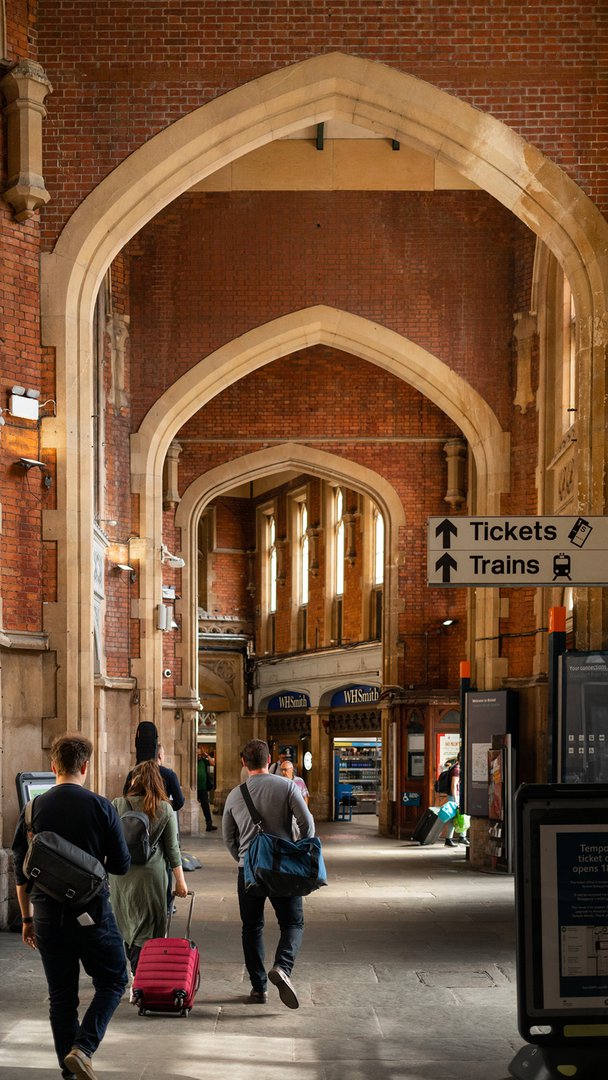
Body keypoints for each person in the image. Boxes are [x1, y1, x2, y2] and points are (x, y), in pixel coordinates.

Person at [12, 733, 131, 1080]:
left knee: (61, 997)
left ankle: (70, 1069)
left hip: (46, 915)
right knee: (113, 980)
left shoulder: (33, 809)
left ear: (53, 767)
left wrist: (26, 920)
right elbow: (122, 865)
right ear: (85, 767)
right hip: (91, 912)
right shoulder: (101, 806)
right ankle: (84, 1048)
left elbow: (22, 871)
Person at [223, 738, 314, 1009]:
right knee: (293, 923)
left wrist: (243, 859)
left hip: (249, 871)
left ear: (243, 762)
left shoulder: (235, 794)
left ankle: (258, 987)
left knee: (251, 928)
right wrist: (297, 850)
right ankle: (283, 967)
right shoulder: (286, 786)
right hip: (283, 869)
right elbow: (307, 824)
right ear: (269, 759)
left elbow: (229, 838)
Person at [110, 760, 188, 977]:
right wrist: (181, 881)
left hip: (121, 875)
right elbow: (172, 849)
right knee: (149, 928)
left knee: (126, 923)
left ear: (134, 780)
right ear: (158, 782)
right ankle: (141, 976)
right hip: (152, 877)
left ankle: (137, 975)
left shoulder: (117, 804)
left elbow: (108, 842)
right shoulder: (165, 808)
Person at [123, 743, 185, 813]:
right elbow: (179, 801)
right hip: (161, 816)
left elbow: (126, 795)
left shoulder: (133, 773)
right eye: (163, 754)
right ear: (160, 756)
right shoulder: (169, 774)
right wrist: (163, 806)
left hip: (138, 817)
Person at [444, 756, 469, 847]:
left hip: (456, 796)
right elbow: (453, 785)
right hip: (455, 796)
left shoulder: (456, 768)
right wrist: (455, 799)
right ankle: (449, 839)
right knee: (454, 817)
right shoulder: (456, 769)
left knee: (461, 816)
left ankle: (462, 837)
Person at [197, 744, 218, 831]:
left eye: (199, 753)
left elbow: (213, 763)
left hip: (203, 788)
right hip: (194, 789)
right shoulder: (191, 762)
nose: (198, 755)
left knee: (206, 806)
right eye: (196, 753)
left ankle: (209, 824)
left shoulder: (203, 760)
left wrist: (207, 755)